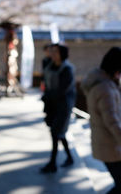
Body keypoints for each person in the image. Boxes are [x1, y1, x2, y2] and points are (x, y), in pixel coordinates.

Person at [81, 47, 121, 193]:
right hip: (111, 145)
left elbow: (109, 110)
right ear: (116, 69)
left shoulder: (101, 83)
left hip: (109, 143)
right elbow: (112, 120)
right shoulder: (105, 88)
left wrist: (120, 96)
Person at [41, 44, 76, 173]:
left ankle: (52, 163)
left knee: (56, 132)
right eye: (52, 51)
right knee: (59, 133)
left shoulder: (67, 69)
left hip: (63, 106)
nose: (53, 54)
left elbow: (63, 90)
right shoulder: (49, 65)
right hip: (51, 104)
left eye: (56, 51)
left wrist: (48, 96)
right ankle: (69, 157)